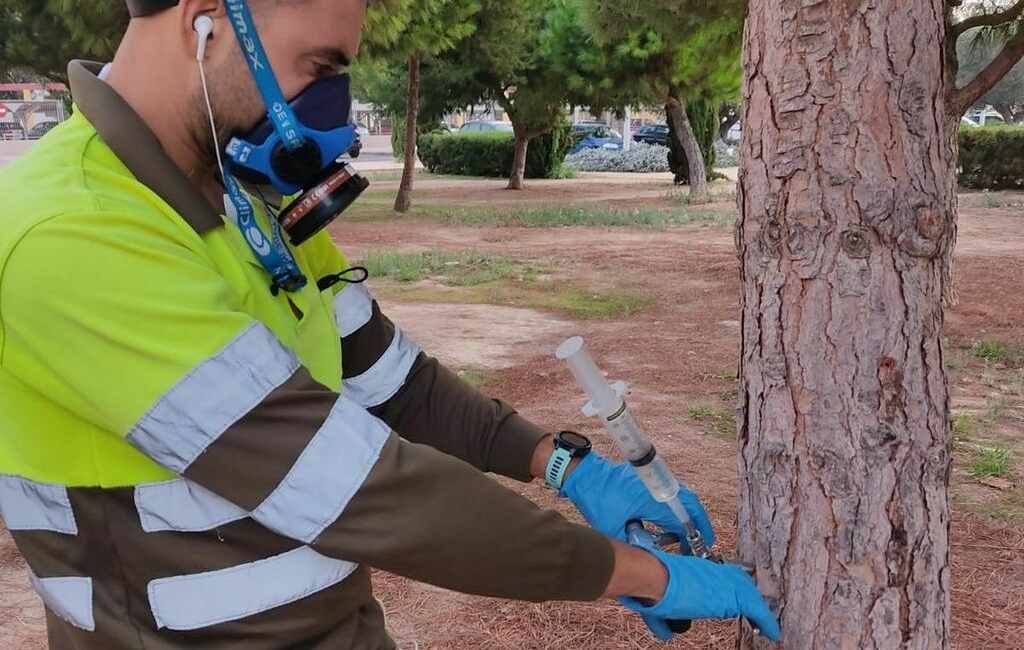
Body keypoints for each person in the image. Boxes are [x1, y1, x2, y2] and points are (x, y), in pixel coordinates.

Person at [0, 0, 781, 647]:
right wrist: (648, 575)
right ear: (205, 21)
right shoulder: (69, 233)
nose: (330, 107)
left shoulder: (244, 205)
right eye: (320, 68)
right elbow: (364, 490)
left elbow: (396, 383)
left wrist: (569, 468)